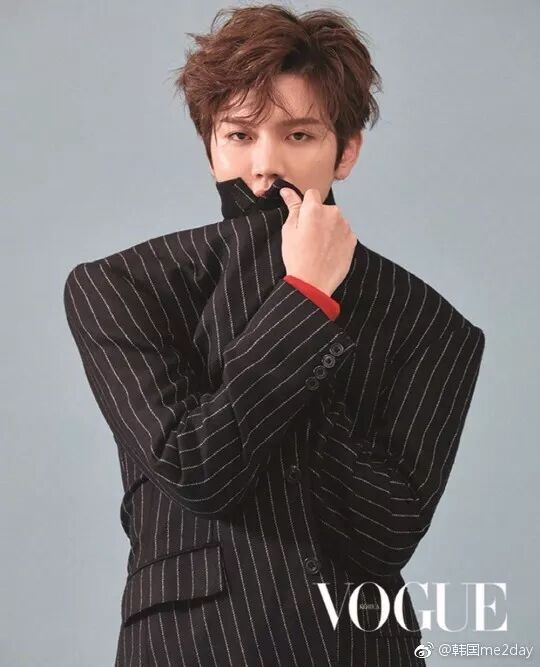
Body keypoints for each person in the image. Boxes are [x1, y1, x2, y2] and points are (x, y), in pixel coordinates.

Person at [63, 5, 486, 666]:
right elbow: (197, 468)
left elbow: (385, 535)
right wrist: (305, 300)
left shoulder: (429, 324)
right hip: (190, 645)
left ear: (346, 151)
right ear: (210, 147)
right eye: (239, 135)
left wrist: (301, 309)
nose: (265, 168)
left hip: (358, 648)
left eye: (298, 135)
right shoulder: (123, 286)